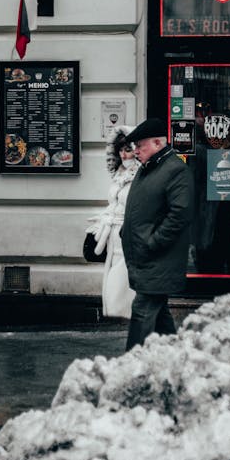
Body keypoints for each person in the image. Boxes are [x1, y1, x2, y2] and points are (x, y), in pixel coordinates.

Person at [121, 116, 194, 351]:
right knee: (159, 314)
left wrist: (153, 242)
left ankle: (130, 367)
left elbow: (180, 214)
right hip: (146, 256)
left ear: (157, 143)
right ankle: (175, 357)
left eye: (140, 146)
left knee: (143, 309)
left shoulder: (175, 170)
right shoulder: (149, 168)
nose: (136, 152)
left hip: (158, 257)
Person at [84, 126, 139, 319]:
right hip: (112, 237)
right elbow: (113, 203)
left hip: (128, 235)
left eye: (128, 149)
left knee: (122, 281)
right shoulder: (119, 174)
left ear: (136, 149)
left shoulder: (141, 175)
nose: (124, 155)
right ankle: (116, 316)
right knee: (113, 278)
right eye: (121, 150)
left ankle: (124, 317)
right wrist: (101, 222)